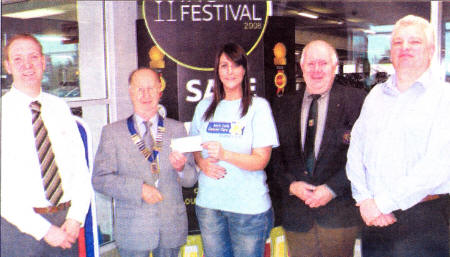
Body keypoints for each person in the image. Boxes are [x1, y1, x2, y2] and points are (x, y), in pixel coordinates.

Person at [346, 15, 450, 257]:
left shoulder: (444, 98)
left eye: (414, 42)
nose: (405, 48)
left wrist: (382, 203)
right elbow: (356, 150)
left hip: (424, 221)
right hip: (373, 220)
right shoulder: (375, 96)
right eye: (398, 42)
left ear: (431, 50)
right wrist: (365, 199)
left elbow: (438, 166)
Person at [270, 40, 366, 257]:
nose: (316, 70)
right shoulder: (283, 105)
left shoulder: (356, 101)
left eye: (323, 63)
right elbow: (274, 159)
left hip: (339, 212)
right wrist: (291, 185)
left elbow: (363, 157)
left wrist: (332, 188)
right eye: (310, 64)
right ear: (301, 68)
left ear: (335, 67)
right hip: (297, 215)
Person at [1, 34, 92, 257]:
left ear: (43, 62)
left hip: (65, 226)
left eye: (33, 57)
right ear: (8, 66)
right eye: (18, 59)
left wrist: (75, 218)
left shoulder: (60, 108)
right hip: (19, 231)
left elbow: (80, 170)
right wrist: (43, 230)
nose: (28, 65)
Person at [92, 68, 197, 257]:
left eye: (151, 88)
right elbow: (100, 179)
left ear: (160, 91)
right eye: (140, 89)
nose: (146, 94)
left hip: (170, 226)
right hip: (133, 229)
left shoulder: (177, 129)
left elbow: (190, 180)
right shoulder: (112, 132)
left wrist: (181, 169)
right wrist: (138, 189)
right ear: (131, 92)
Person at [189, 42, 279, 257]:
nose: (230, 71)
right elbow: (194, 145)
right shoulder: (203, 106)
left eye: (235, 65)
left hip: (248, 210)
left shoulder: (259, 107)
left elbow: (260, 160)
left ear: (244, 69)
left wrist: (224, 154)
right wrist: (201, 163)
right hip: (209, 206)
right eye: (224, 66)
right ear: (217, 71)